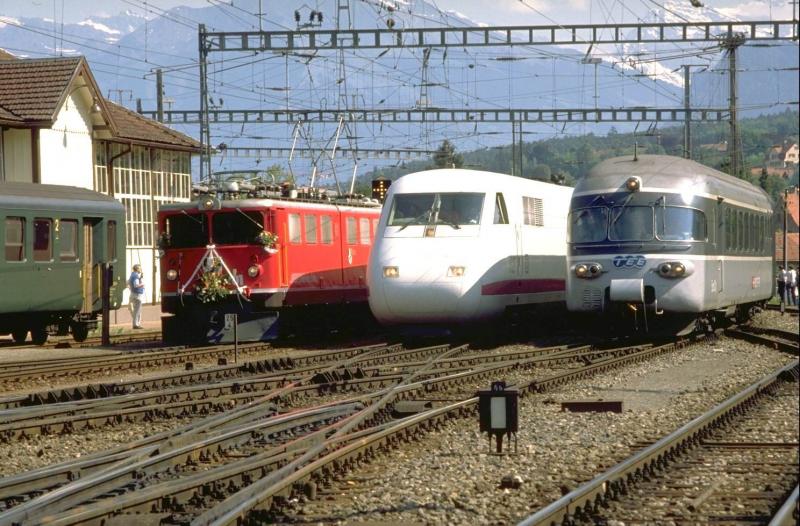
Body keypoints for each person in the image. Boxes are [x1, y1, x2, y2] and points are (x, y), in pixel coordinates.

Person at [128, 264, 145, 329]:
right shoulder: (135, 276)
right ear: (137, 269)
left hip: (134, 294)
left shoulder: (132, 275)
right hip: (137, 294)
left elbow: (130, 283)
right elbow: (136, 285)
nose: (140, 269)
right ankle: (136, 324)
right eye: (140, 268)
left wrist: (141, 278)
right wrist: (142, 284)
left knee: (136, 310)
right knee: (137, 310)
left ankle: (136, 324)